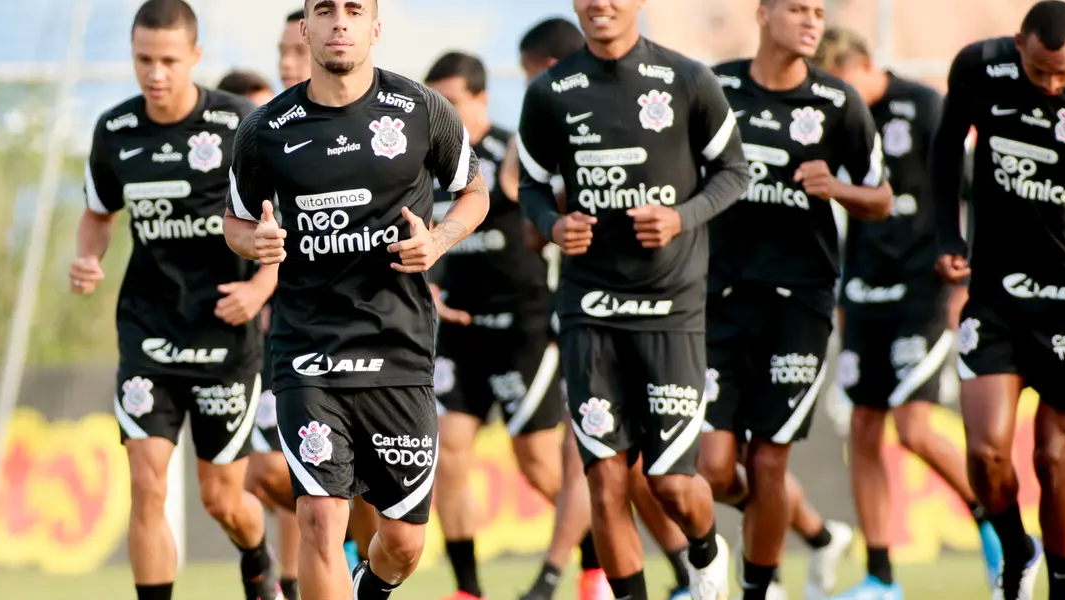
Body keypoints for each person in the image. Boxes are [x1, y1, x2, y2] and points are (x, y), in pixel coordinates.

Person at [224, 0, 489, 598]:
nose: (339, 22)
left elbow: (474, 193)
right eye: (324, 10)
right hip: (307, 353)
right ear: (305, 27)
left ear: (375, 26)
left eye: (353, 10)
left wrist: (439, 240)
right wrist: (256, 242)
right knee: (321, 519)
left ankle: (371, 587)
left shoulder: (422, 109)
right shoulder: (265, 129)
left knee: (403, 544)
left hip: (398, 351)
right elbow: (234, 223)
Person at [517, 0, 751, 599]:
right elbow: (531, 187)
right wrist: (553, 225)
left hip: (671, 308)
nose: (601, 3)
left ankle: (706, 549)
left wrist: (680, 217)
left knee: (671, 485)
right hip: (589, 308)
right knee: (605, 483)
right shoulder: (550, 92)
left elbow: (734, 171)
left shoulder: (687, 78)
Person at [931, 2, 1065, 599]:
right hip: (996, 299)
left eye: (1063, 72)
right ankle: (1015, 549)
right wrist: (948, 237)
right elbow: (944, 151)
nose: (1051, 85)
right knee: (986, 455)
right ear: (1018, 42)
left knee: (1054, 458)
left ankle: (1063, 590)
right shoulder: (977, 69)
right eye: (1039, 70)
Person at [71, 1, 278, 599]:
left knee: (221, 500)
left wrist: (260, 287)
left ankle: (256, 557)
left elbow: (277, 219)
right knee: (148, 486)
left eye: (168, 60)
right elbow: (98, 213)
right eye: (143, 59)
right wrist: (88, 258)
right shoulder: (115, 130)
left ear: (195, 56)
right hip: (149, 334)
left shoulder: (239, 122)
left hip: (225, 337)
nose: (154, 73)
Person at [703, 1, 894, 598]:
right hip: (716, 301)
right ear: (764, 14)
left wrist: (835, 187)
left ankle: (759, 589)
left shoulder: (839, 102)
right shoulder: (713, 88)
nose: (813, 21)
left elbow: (882, 198)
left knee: (768, 462)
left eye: (818, 11)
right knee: (712, 467)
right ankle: (803, 527)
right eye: (797, 9)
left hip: (798, 306)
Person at [813, 26, 1004, 598]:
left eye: (841, 81)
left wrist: (965, 279)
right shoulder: (840, 120)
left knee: (914, 428)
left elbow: (974, 190)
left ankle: (996, 522)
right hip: (864, 292)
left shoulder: (924, 105)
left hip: (923, 288)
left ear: (863, 64)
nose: (838, 94)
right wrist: (842, 296)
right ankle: (880, 578)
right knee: (864, 430)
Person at [419, 50, 584, 600]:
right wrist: (428, 286)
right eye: (435, 104)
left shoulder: (514, 152)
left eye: (453, 102)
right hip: (458, 333)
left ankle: (595, 565)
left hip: (523, 331)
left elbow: (547, 212)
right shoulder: (422, 165)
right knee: (447, 456)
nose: (443, 114)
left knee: (539, 464)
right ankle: (468, 590)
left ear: (483, 99)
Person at [216, 66, 301, 600]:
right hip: (228, 351)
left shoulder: (294, 172)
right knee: (239, 485)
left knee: (281, 469)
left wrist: (265, 289)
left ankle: (293, 579)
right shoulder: (215, 190)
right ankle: (281, 575)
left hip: (291, 347)